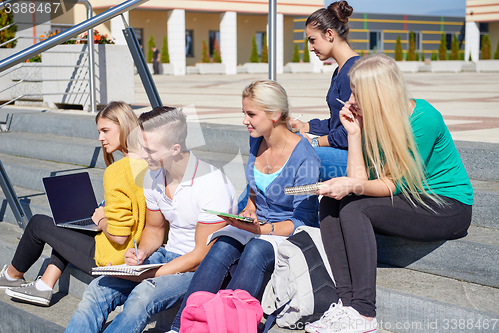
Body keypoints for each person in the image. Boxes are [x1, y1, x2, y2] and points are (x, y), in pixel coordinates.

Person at [305, 54, 473, 333]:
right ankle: (347, 306)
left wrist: (349, 185)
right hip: (411, 198)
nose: (351, 101)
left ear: (377, 93)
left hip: (448, 206)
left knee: (354, 207)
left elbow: (391, 184)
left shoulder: (423, 119)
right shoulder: (374, 121)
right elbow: (359, 180)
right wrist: (354, 134)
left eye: (357, 93)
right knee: (331, 203)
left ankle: (364, 312)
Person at [65, 106, 237, 333]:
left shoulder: (211, 183)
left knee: (143, 295)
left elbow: (201, 255)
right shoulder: (153, 175)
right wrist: (141, 253)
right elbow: (154, 229)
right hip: (165, 257)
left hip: (201, 269)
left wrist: (151, 273)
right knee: (98, 288)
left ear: (175, 149)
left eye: (149, 149)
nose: (142, 155)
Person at [168, 79, 320, 332]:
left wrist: (261, 230)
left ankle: (229, 326)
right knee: (221, 246)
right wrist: (249, 208)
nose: (244, 120)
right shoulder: (257, 140)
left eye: (251, 114)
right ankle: (180, 326)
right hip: (257, 224)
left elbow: (303, 220)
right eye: (244, 113)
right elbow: (255, 187)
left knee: (255, 251)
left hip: (285, 231)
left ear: (275, 114)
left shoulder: (306, 158)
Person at [0, 101, 148, 306]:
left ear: (123, 127)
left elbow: (120, 236)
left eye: (105, 130)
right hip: (140, 250)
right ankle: (44, 285)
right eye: (99, 131)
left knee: (38, 224)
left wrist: (102, 218)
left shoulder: (118, 171)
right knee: (67, 227)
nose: (100, 138)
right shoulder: (149, 163)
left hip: (113, 258)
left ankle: (11, 275)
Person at [290, 0, 360, 181]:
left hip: (358, 157)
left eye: (312, 40)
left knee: (288, 155)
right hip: (345, 151)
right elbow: (339, 122)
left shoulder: (353, 72)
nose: (310, 48)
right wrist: (306, 126)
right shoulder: (340, 70)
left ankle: (248, 208)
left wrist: (314, 142)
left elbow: (349, 132)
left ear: (329, 34)